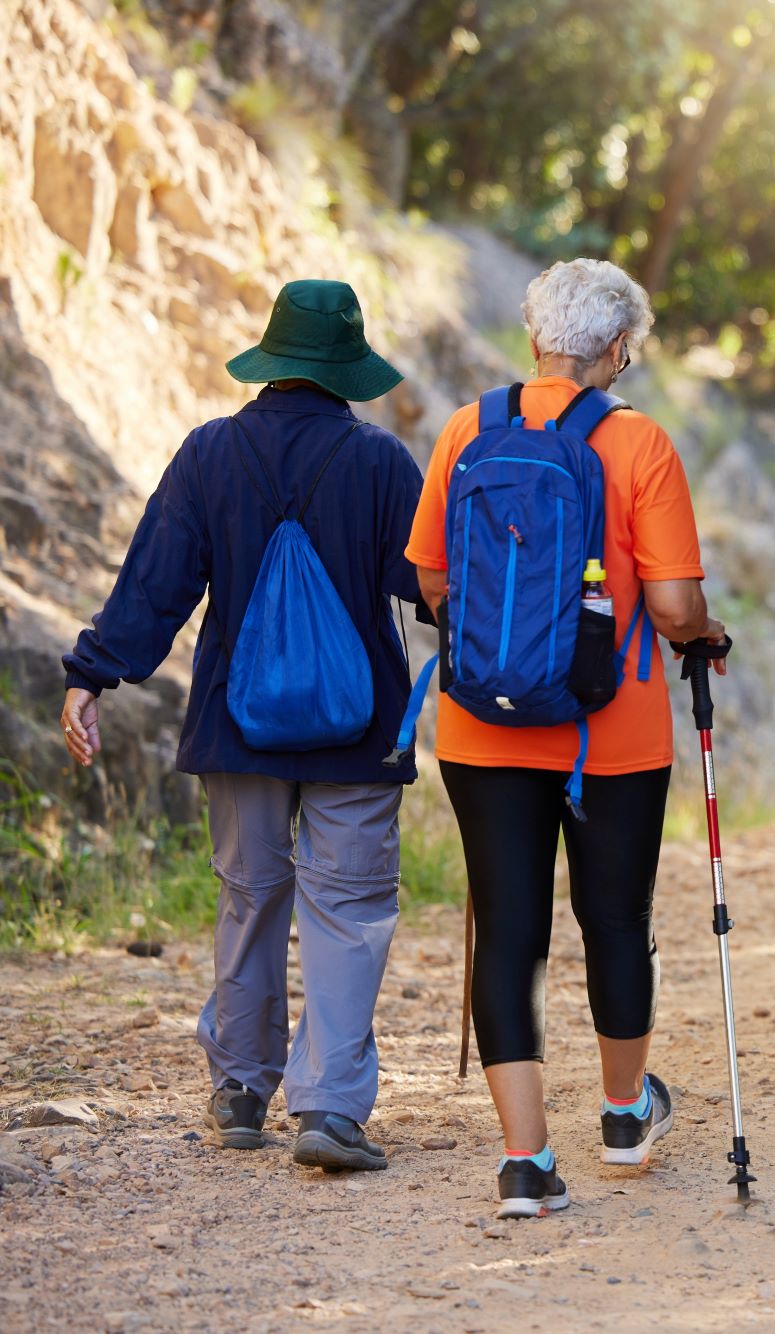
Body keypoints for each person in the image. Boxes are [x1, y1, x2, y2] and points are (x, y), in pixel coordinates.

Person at [60, 279, 424, 1172]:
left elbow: (158, 583)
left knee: (250, 895)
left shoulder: (209, 454)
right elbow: (436, 587)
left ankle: (239, 1089)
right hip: (360, 731)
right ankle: (331, 1108)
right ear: (347, 368)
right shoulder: (381, 463)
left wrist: (92, 675)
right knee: (349, 907)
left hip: (238, 724)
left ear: (272, 359)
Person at [406, 259, 721, 1218]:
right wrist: (703, 634)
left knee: (510, 932)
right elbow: (672, 605)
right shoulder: (641, 445)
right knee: (616, 920)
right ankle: (625, 1115)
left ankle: (524, 1161)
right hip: (611, 731)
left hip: (481, 726)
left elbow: (428, 579)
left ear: (536, 335)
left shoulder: (468, 428)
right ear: (619, 348)